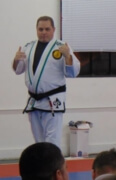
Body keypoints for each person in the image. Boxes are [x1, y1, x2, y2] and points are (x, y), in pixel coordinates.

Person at [12, 16, 80, 148]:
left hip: (53, 100)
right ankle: (43, 167)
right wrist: (16, 60)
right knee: (39, 141)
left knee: (52, 141)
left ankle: (53, 168)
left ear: (53, 29)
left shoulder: (62, 47)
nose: (44, 32)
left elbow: (72, 73)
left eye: (47, 29)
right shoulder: (28, 47)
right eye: (40, 29)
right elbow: (18, 70)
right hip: (34, 100)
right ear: (36, 30)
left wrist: (68, 56)